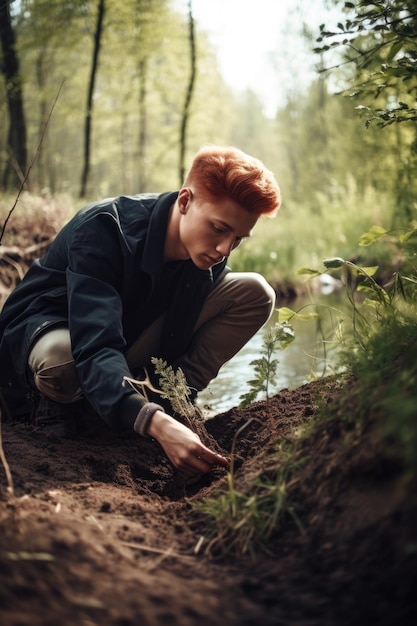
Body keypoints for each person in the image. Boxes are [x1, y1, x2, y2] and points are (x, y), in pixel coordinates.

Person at [0, 145, 281, 481]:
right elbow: (96, 343)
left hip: (124, 334)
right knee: (63, 362)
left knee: (255, 292)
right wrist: (153, 422)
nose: (224, 250)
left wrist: (167, 409)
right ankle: (56, 404)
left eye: (238, 239)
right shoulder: (104, 229)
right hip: (50, 337)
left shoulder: (203, 256)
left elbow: (173, 330)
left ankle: (170, 398)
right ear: (185, 201)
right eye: (219, 229)